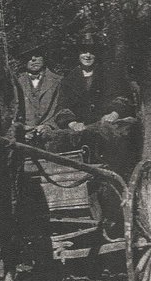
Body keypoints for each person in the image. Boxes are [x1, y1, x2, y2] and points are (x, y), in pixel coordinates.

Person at [47, 31, 143, 180]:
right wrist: (72, 123)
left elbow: (124, 97)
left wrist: (114, 113)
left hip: (110, 125)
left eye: (91, 52)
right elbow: (62, 108)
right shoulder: (69, 80)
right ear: (78, 55)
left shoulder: (110, 73)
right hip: (82, 129)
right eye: (83, 51)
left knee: (112, 137)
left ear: (97, 54)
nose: (87, 55)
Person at [17, 45, 62, 145]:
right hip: (24, 138)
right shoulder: (16, 83)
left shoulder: (58, 81)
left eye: (37, 55)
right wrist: (21, 128)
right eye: (29, 57)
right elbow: (12, 112)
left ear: (44, 57)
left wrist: (49, 126)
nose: (33, 59)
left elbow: (62, 109)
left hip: (51, 137)